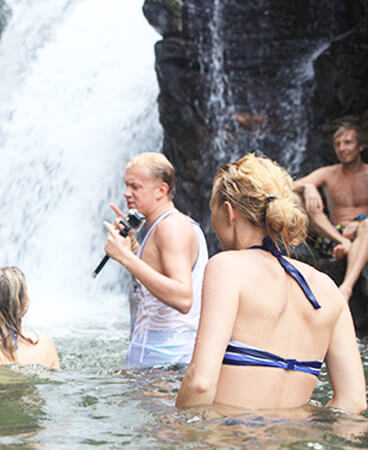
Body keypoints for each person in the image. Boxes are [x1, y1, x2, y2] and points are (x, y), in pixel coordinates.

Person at [176, 154, 366, 413]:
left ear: (229, 212)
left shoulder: (228, 267)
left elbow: (200, 384)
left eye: (213, 211)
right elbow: (352, 402)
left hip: (229, 438)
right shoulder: (327, 288)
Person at [103, 152, 208, 369]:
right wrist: (132, 246)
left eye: (135, 187)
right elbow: (156, 279)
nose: (126, 193)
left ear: (161, 190)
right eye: (126, 185)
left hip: (168, 362)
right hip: (157, 359)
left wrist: (125, 258)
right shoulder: (163, 225)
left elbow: (182, 297)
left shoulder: (172, 227)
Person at [292, 123, 368, 299]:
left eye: (348, 142)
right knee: (295, 199)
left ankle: (346, 288)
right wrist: (308, 187)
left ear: (360, 146)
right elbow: (289, 186)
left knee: (366, 225)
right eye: (338, 144)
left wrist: (359, 222)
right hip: (332, 236)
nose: (342, 148)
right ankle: (344, 244)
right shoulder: (328, 173)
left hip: (363, 233)